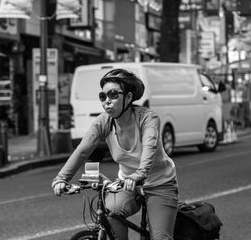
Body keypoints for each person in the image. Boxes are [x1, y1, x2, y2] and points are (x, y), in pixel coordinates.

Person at [52, 69, 179, 239]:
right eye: (103, 96)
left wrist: (139, 175)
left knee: (161, 238)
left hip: (160, 183)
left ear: (128, 97)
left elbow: (149, 148)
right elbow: (82, 151)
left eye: (112, 94)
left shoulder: (148, 118)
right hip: (126, 184)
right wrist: (61, 178)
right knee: (110, 213)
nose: (107, 101)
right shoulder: (103, 122)